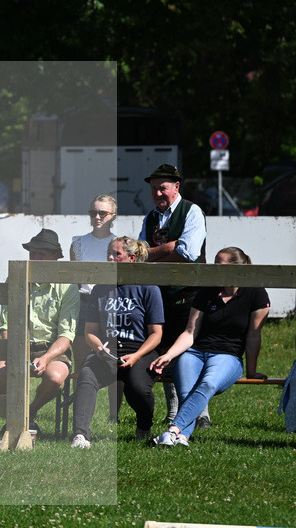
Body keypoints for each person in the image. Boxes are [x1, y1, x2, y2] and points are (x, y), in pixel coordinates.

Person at [152, 246, 270, 446]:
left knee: (208, 384)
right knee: (185, 392)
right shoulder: (207, 291)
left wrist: (251, 371)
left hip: (228, 355)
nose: (214, 268)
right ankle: (181, 437)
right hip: (195, 352)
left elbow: (253, 335)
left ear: (236, 268)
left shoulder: (256, 292)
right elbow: (190, 332)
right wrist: (169, 355)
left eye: (219, 264)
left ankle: (172, 429)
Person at [68, 237, 163, 448]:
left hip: (140, 351)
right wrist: (98, 348)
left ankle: (144, 426)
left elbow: (156, 334)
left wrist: (137, 356)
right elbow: (90, 331)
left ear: (132, 258)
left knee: (137, 387)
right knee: (87, 376)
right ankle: (80, 435)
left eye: (116, 254)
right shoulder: (100, 289)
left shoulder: (148, 288)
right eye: (108, 254)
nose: (110, 258)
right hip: (108, 351)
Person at [0, 228, 79, 439]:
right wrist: (15, 351)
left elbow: (66, 334)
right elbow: (6, 324)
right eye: (33, 252)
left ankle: (28, 413)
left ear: (56, 258)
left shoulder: (68, 286)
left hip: (52, 347)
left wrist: (47, 356)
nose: (36, 257)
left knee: (56, 377)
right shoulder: (16, 278)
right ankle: (20, 418)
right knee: (0, 373)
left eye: (43, 253)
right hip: (18, 343)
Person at [139, 163, 207, 424]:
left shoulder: (193, 212)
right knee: (165, 350)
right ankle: (173, 410)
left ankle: (200, 413)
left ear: (176, 187)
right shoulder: (150, 217)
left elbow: (188, 253)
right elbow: (138, 255)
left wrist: (153, 253)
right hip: (159, 294)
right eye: (154, 189)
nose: (158, 194)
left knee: (189, 352)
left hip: (190, 294)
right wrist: (167, 247)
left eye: (163, 189)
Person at [70, 194, 119, 368]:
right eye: (93, 213)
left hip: (111, 304)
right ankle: (78, 396)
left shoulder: (119, 243)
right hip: (84, 303)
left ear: (113, 215)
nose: (97, 217)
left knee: (114, 362)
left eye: (103, 213)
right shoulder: (79, 243)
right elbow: (75, 280)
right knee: (81, 362)